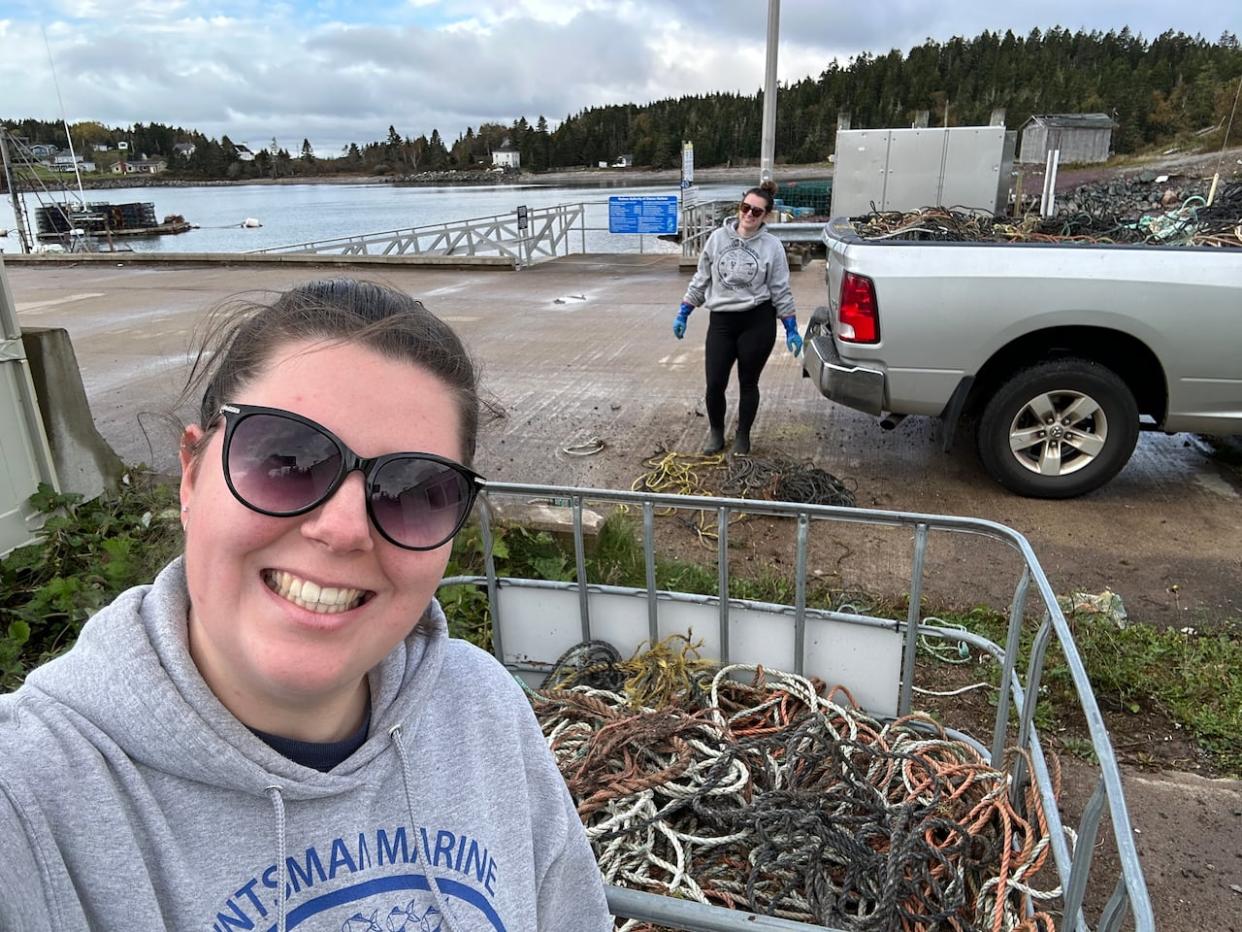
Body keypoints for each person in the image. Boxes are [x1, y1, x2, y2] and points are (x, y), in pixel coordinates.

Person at [0, 279, 612, 932]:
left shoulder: (481, 704)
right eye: (286, 460)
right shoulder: (30, 795)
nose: (344, 528)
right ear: (191, 473)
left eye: (413, 490)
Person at [674, 179, 802, 455]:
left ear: (766, 215)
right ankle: (716, 432)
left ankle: (743, 436)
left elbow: (781, 290)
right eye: (746, 208)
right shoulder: (717, 239)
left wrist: (790, 327)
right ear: (739, 206)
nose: (749, 215)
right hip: (721, 321)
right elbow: (701, 279)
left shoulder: (772, 247)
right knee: (715, 382)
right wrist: (684, 311)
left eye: (757, 212)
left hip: (757, 322)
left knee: (748, 382)